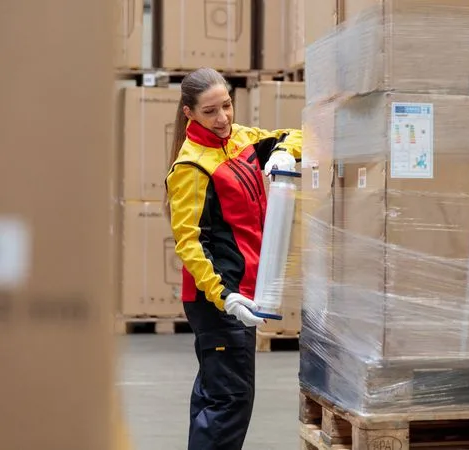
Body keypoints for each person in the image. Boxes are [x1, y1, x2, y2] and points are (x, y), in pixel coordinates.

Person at [164, 67, 302, 450]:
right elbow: (189, 243)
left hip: (243, 294)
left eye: (226, 105)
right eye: (210, 111)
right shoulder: (192, 167)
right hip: (219, 300)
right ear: (189, 113)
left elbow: (298, 136)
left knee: (217, 396)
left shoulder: (242, 140)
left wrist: (284, 153)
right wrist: (226, 296)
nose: (223, 118)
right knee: (229, 402)